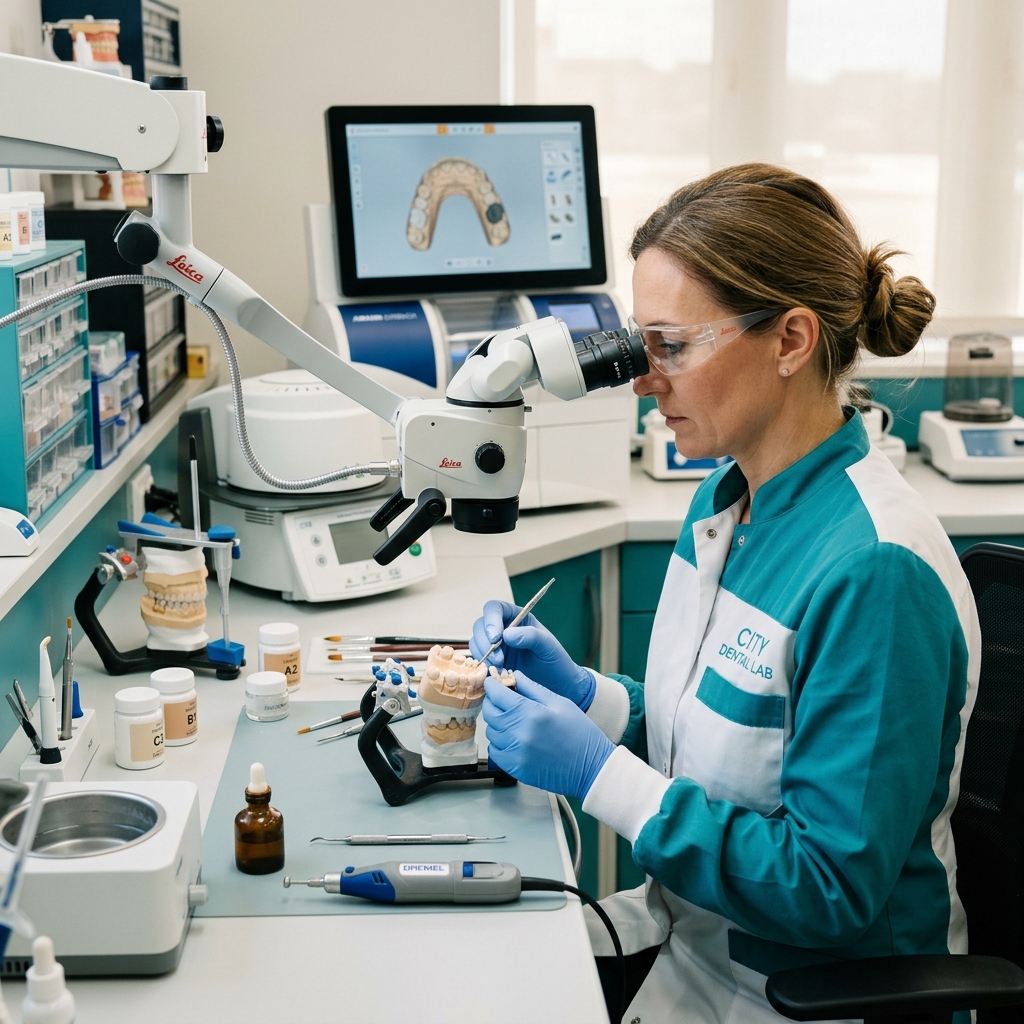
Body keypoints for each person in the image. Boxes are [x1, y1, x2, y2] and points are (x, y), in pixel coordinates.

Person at [472, 164, 980, 1023]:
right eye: (641, 345)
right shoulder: (726, 501)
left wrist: (600, 776)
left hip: (808, 1000)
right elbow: (724, 745)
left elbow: (827, 888)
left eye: (670, 346)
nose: (643, 379)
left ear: (790, 341)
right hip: (697, 953)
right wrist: (591, 697)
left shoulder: (875, 571)